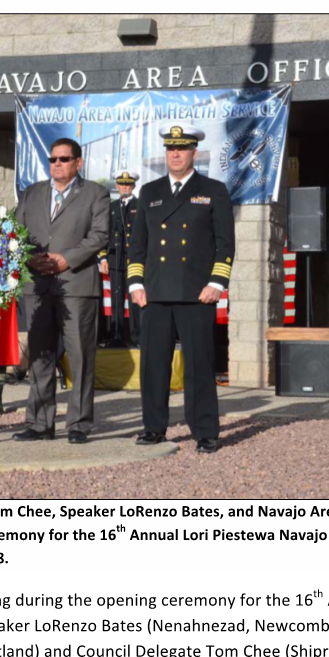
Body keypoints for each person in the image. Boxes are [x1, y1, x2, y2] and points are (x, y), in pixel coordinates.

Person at [128, 125, 235, 453]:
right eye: (170, 149)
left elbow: (225, 242)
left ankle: (205, 431)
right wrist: (135, 283)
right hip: (156, 292)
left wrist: (217, 282)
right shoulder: (150, 191)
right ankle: (154, 428)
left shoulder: (213, 190)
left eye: (182, 148)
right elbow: (138, 245)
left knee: (200, 365)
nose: (175, 154)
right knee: (153, 366)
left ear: (194, 153)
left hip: (196, 293)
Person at [13, 138, 110, 444]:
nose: (57, 164)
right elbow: (16, 233)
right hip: (38, 285)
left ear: (78, 163)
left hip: (77, 285)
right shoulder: (32, 193)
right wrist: (30, 258)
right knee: (40, 356)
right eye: (53, 158)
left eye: (64, 159)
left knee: (80, 356)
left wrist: (66, 259)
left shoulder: (96, 193)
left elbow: (99, 235)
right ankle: (40, 423)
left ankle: (79, 424)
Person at [99, 171, 140, 347]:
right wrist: (103, 258)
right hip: (115, 259)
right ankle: (116, 336)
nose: (125, 187)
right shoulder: (112, 207)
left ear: (133, 186)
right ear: (117, 186)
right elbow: (103, 234)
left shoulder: (140, 205)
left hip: (134, 261)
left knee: (134, 300)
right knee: (116, 298)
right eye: (122, 184)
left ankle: (136, 337)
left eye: (128, 185)